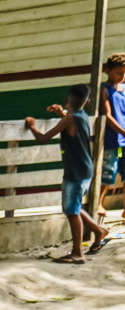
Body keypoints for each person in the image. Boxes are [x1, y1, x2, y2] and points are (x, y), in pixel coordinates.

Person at [25, 85, 101, 263]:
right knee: (73, 206)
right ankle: (98, 231)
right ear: (87, 102)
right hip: (85, 170)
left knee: (71, 211)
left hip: (75, 172)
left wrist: (31, 126)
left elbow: (43, 138)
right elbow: (70, 124)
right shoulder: (81, 116)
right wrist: (61, 113)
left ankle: (77, 253)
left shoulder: (70, 119)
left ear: (67, 100)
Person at [97, 54, 125, 229]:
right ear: (107, 70)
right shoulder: (105, 90)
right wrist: (123, 131)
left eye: (124, 73)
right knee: (108, 171)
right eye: (118, 73)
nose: (121, 76)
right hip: (112, 138)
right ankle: (99, 203)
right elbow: (107, 116)